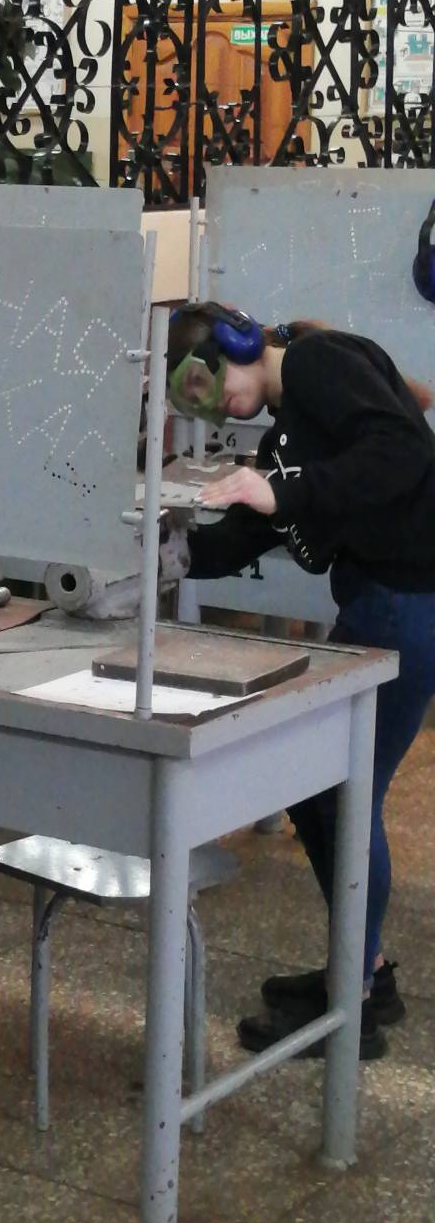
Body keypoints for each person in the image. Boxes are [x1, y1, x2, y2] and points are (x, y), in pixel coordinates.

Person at [165, 299, 435, 1061]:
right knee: (319, 789)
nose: (217, 408)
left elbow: (400, 451)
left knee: (343, 793)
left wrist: (281, 493)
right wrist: (171, 552)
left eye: (210, 385)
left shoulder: (319, 363)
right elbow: (260, 527)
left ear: (238, 342)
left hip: (406, 602)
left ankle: (355, 1000)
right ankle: (362, 970)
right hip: (386, 600)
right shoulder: (288, 430)